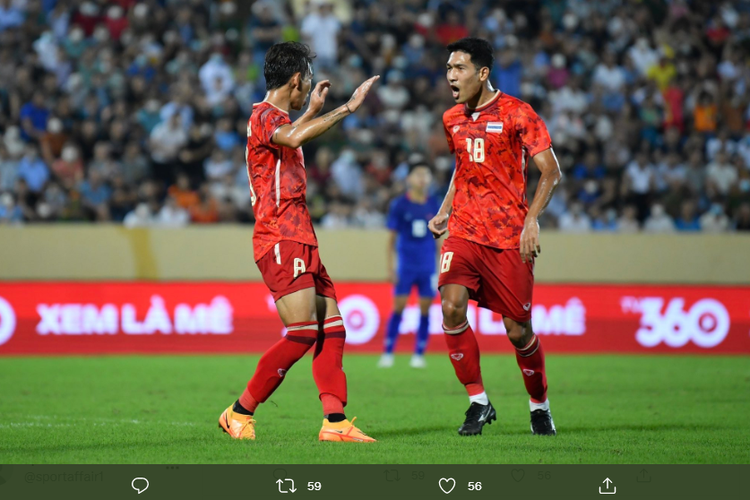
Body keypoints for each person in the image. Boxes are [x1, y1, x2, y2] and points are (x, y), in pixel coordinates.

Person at [219, 41, 379, 443]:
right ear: (295, 80)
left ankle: (335, 421)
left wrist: (311, 113)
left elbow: (290, 135)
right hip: (279, 236)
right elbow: (289, 139)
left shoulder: (278, 120)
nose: (308, 88)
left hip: (300, 236)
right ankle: (238, 413)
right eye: (306, 82)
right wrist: (347, 109)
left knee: (333, 328)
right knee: (304, 331)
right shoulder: (262, 116)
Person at [428, 38, 561, 437]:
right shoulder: (451, 117)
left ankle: (540, 406)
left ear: (482, 73)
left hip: (508, 237)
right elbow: (462, 166)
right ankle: (478, 403)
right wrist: (446, 209)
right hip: (465, 231)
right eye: (448, 68)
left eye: (460, 68)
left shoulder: (519, 113)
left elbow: (550, 171)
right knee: (451, 308)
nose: (451, 76)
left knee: (518, 331)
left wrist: (532, 219)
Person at [378, 161, 441, 369]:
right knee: (399, 307)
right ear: (409, 179)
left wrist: (441, 267)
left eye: (426, 174)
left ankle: (419, 354)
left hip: (427, 265)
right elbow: (390, 240)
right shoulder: (399, 205)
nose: (423, 178)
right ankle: (388, 352)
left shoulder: (435, 204)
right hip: (406, 265)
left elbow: (439, 239)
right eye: (418, 174)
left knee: (425, 309)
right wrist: (390, 267)